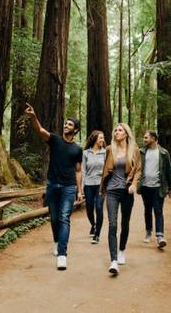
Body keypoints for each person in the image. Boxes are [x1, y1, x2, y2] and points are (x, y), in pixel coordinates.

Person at [24, 103, 83, 271]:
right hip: (52, 185)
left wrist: (80, 191)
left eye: (70, 124)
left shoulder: (77, 149)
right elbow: (40, 130)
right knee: (55, 218)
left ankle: (63, 254)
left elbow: (78, 170)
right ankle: (57, 241)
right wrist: (33, 116)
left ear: (76, 130)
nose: (66, 125)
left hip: (68, 187)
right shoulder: (55, 140)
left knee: (65, 218)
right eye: (65, 123)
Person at [100, 123, 141, 274]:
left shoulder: (134, 150)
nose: (116, 132)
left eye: (120, 130)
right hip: (112, 191)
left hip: (127, 191)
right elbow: (105, 169)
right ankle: (113, 260)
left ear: (126, 133)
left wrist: (134, 184)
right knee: (112, 224)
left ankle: (122, 249)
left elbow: (138, 170)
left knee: (125, 223)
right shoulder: (110, 149)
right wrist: (102, 188)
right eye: (115, 130)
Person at [138, 130, 171, 248]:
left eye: (146, 137)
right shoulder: (142, 152)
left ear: (153, 138)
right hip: (145, 187)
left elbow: (169, 171)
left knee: (158, 210)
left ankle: (160, 236)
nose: (144, 140)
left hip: (158, 187)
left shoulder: (164, 153)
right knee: (147, 210)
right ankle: (148, 232)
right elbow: (137, 168)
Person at [82, 130, 106, 244]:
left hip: (100, 185)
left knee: (99, 207)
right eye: (101, 138)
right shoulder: (86, 153)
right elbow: (83, 171)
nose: (103, 140)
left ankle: (97, 235)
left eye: (103, 138)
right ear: (95, 139)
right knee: (89, 209)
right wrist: (81, 188)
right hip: (88, 185)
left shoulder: (105, 153)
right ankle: (93, 224)